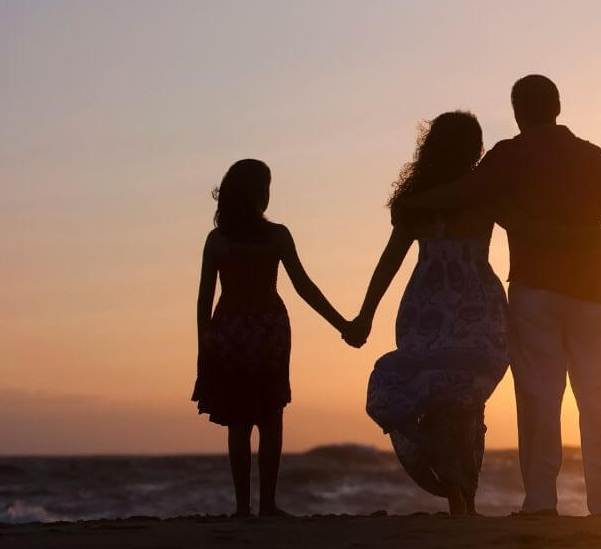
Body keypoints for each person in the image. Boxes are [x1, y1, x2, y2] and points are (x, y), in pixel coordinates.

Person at [404, 75, 601, 516]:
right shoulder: (593, 156)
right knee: (597, 399)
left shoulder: (509, 155)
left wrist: (413, 203)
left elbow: (463, 192)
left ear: (516, 111)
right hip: (592, 297)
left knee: (539, 398)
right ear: (558, 106)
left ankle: (542, 502)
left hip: (535, 294)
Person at [342, 112, 510, 516]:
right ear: (473, 148)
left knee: (443, 397)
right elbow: (391, 258)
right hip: (473, 303)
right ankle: (461, 493)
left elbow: (390, 262)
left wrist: (366, 314)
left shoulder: (419, 201)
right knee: (465, 399)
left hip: (428, 306)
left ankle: (458, 488)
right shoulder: (481, 193)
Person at [194, 158, 351, 517]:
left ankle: (242, 508)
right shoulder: (276, 235)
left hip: (230, 330)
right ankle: (268, 505)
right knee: (270, 416)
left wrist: (203, 346)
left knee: (238, 421)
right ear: (257, 193)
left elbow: (204, 299)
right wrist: (342, 324)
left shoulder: (217, 240)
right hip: (267, 331)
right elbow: (304, 287)